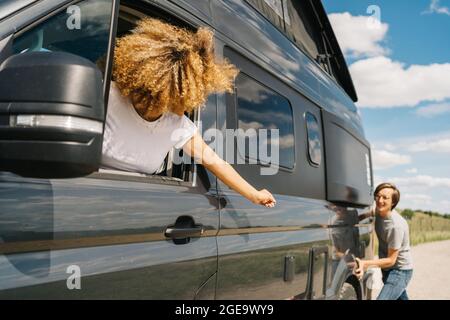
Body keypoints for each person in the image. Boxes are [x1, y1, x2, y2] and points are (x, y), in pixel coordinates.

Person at [101, 17, 276, 208]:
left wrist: (254, 194)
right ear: (166, 90)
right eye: (185, 97)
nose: (191, 106)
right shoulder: (106, 95)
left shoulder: (177, 124)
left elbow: (215, 162)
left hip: (132, 206)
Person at [354, 183, 413, 300]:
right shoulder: (379, 211)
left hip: (400, 271)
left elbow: (391, 260)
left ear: (393, 202)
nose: (380, 200)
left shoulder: (396, 226)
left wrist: (365, 263)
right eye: (378, 196)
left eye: (385, 198)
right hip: (387, 269)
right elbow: (368, 214)